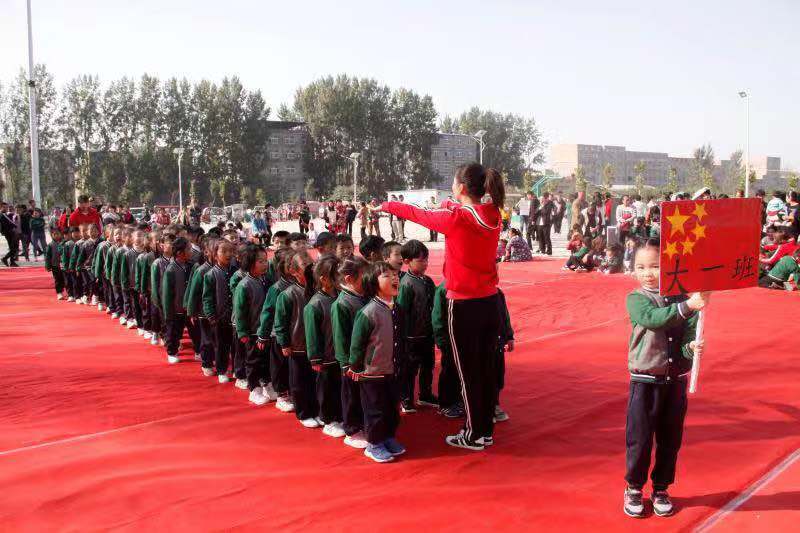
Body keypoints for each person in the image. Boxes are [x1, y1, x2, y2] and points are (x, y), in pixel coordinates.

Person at [380, 162, 505, 451]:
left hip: (462, 304)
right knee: (485, 370)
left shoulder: (457, 219)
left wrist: (388, 205)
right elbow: (456, 209)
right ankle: (484, 430)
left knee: (468, 373)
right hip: (490, 301)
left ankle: (473, 435)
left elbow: (419, 214)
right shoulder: (492, 213)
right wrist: (452, 202)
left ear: (461, 187)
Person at [623, 238, 709, 518]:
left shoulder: (683, 298)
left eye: (655, 266)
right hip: (645, 380)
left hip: (674, 382)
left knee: (670, 439)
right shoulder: (636, 298)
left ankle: (661, 487)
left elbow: (685, 336)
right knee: (640, 438)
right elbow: (653, 318)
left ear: (669, 266)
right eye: (641, 267)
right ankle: (634, 487)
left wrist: (690, 348)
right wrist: (688, 306)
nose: (648, 272)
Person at [348, 261, 406, 463]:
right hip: (372, 373)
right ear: (373, 283)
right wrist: (355, 366)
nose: (394, 278)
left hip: (392, 370)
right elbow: (357, 344)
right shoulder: (368, 312)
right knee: (375, 410)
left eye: (395, 275)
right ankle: (374, 444)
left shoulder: (397, 309)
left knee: (392, 408)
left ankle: (388, 436)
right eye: (386, 276)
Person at [275, 249, 320, 427]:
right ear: (293, 271)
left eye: (311, 263)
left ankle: (316, 409)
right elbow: (281, 322)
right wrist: (284, 342)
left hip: (316, 346)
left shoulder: (318, 290)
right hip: (298, 346)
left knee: (315, 381)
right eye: (305, 265)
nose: (311, 267)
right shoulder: (288, 294)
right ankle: (303, 412)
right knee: (299, 382)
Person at [331, 256, 370, 449]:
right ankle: (352, 430)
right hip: (350, 362)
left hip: (365, 359)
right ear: (349, 279)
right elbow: (340, 337)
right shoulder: (342, 304)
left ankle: (364, 423)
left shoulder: (364, 297)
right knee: (351, 396)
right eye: (365, 276)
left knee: (363, 394)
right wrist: (345, 363)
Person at [304, 255, 345, 438]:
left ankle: (339, 415)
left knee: (339, 389)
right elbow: (312, 335)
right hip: (326, 357)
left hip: (340, 355)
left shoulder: (341, 298)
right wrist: (315, 357)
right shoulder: (315, 305)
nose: (341, 280)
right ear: (324, 279)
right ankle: (328, 419)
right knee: (326, 390)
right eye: (337, 277)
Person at [396, 240, 437, 412]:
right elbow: (401, 311)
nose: (425, 264)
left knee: (428, 365)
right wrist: (402, 335)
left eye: (426, 259)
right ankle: (406, 398)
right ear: (407, 262)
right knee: (410, 369)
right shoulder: (406, 284)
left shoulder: (428, 281)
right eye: (420, 260)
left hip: (427, 333)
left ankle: (425, 394)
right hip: (411, 336)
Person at [233, 244, 274, 406]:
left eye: (266, 261)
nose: (265, 264)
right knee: (253, 361)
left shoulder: (266, 280)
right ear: (250, 263)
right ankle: (254, 389)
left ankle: (266, 384)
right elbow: (240, 312)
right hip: (251, 331)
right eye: (260, 261)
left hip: (264, 330)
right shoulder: (244, 285)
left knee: (265, 360)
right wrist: (242, 332)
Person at [257, 247, 295, 411]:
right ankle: (281, 394)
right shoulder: (277, 288)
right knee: (279, 366)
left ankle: (292, 391)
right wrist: (263, 335)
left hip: (295, 334)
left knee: (292, 366)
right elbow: (267, 312)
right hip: (277, 334)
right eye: (290, 264)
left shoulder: (301, 284)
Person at [203, 239, 236, 381]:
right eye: (224, 251)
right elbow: (207, 298)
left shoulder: (236, 272)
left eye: (231, 251)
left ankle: (237, 369)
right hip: (219, 317)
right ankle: (222, 370)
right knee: (221, 345)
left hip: (235, 316)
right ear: (215, 254)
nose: (228, 254)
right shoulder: (211, 275)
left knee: (235, 345)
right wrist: (211, 316)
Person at [185, 239, 216, 375]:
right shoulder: (201, 270)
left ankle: (216, 359)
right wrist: (192, 312)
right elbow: (193, 292)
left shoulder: (227, 269)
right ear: (207, 252)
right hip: (204, 312)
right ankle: (206, 363)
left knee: (218, 339)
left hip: (220, 311)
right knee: (207, 339)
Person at [161, 237, 193, 364]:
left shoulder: (190, 266)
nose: (191, 251)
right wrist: (168, 312)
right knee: (173, 331)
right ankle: (171, 351)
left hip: (188, 307)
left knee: (189, 331)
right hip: (176, 308)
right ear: (180, 253)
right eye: (189, 249)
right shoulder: (171, 270)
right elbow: (167, 294)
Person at [44, 227, 65, 299]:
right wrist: (47, 266)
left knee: (64, 278)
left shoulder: (64, 243)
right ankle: (59, 292)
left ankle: (66, 291)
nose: (56, 236)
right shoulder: (50, 245)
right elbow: (48, 256)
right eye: (54, 234)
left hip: (64, 264)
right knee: (57, 279)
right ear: (52, 235)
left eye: (58, 234)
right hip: (55, 265)